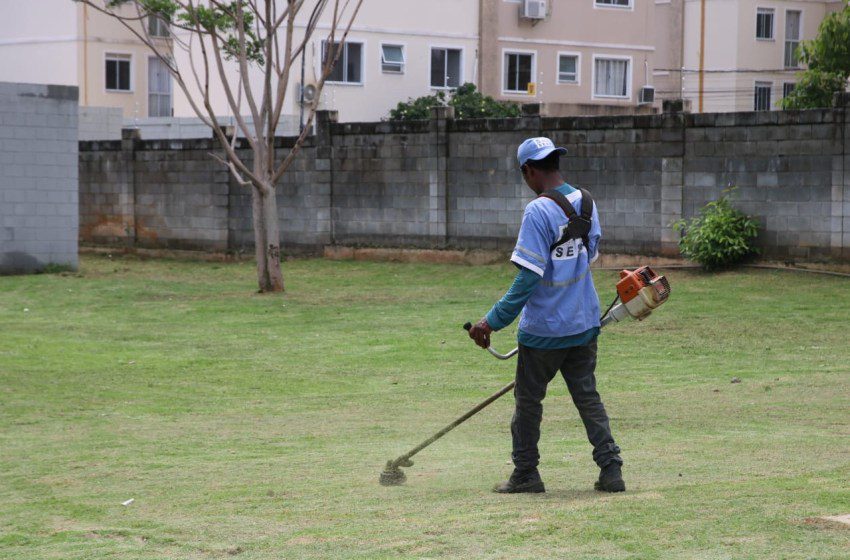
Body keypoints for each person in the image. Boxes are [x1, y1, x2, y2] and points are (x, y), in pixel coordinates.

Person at [467, 137, 625, 494]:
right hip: (584, 323)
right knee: (588, 397)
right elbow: (589, 255)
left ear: (528, 170)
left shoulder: (537, 212)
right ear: (556, 162)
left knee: (527, 404)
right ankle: (611, 468)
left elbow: (527, 278)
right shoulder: (585, 201)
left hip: (544, 333)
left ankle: (525, 474)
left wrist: (489, 322)